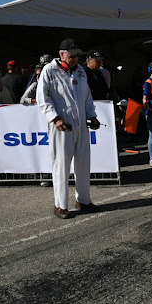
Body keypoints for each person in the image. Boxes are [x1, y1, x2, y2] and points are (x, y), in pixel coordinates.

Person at [37, 38, 101, 219]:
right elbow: (43, 98)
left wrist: (92, 116)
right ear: (61, 54)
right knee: (61, 165)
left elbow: (87, 97)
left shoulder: (80, 71)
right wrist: (54, 118)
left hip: (80, 124)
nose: (75, 58)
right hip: (61, 125)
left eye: (77, 55)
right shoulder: (49, 70)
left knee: (83, 163)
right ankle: (60, 205)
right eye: (71, 55)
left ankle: (83, 200)